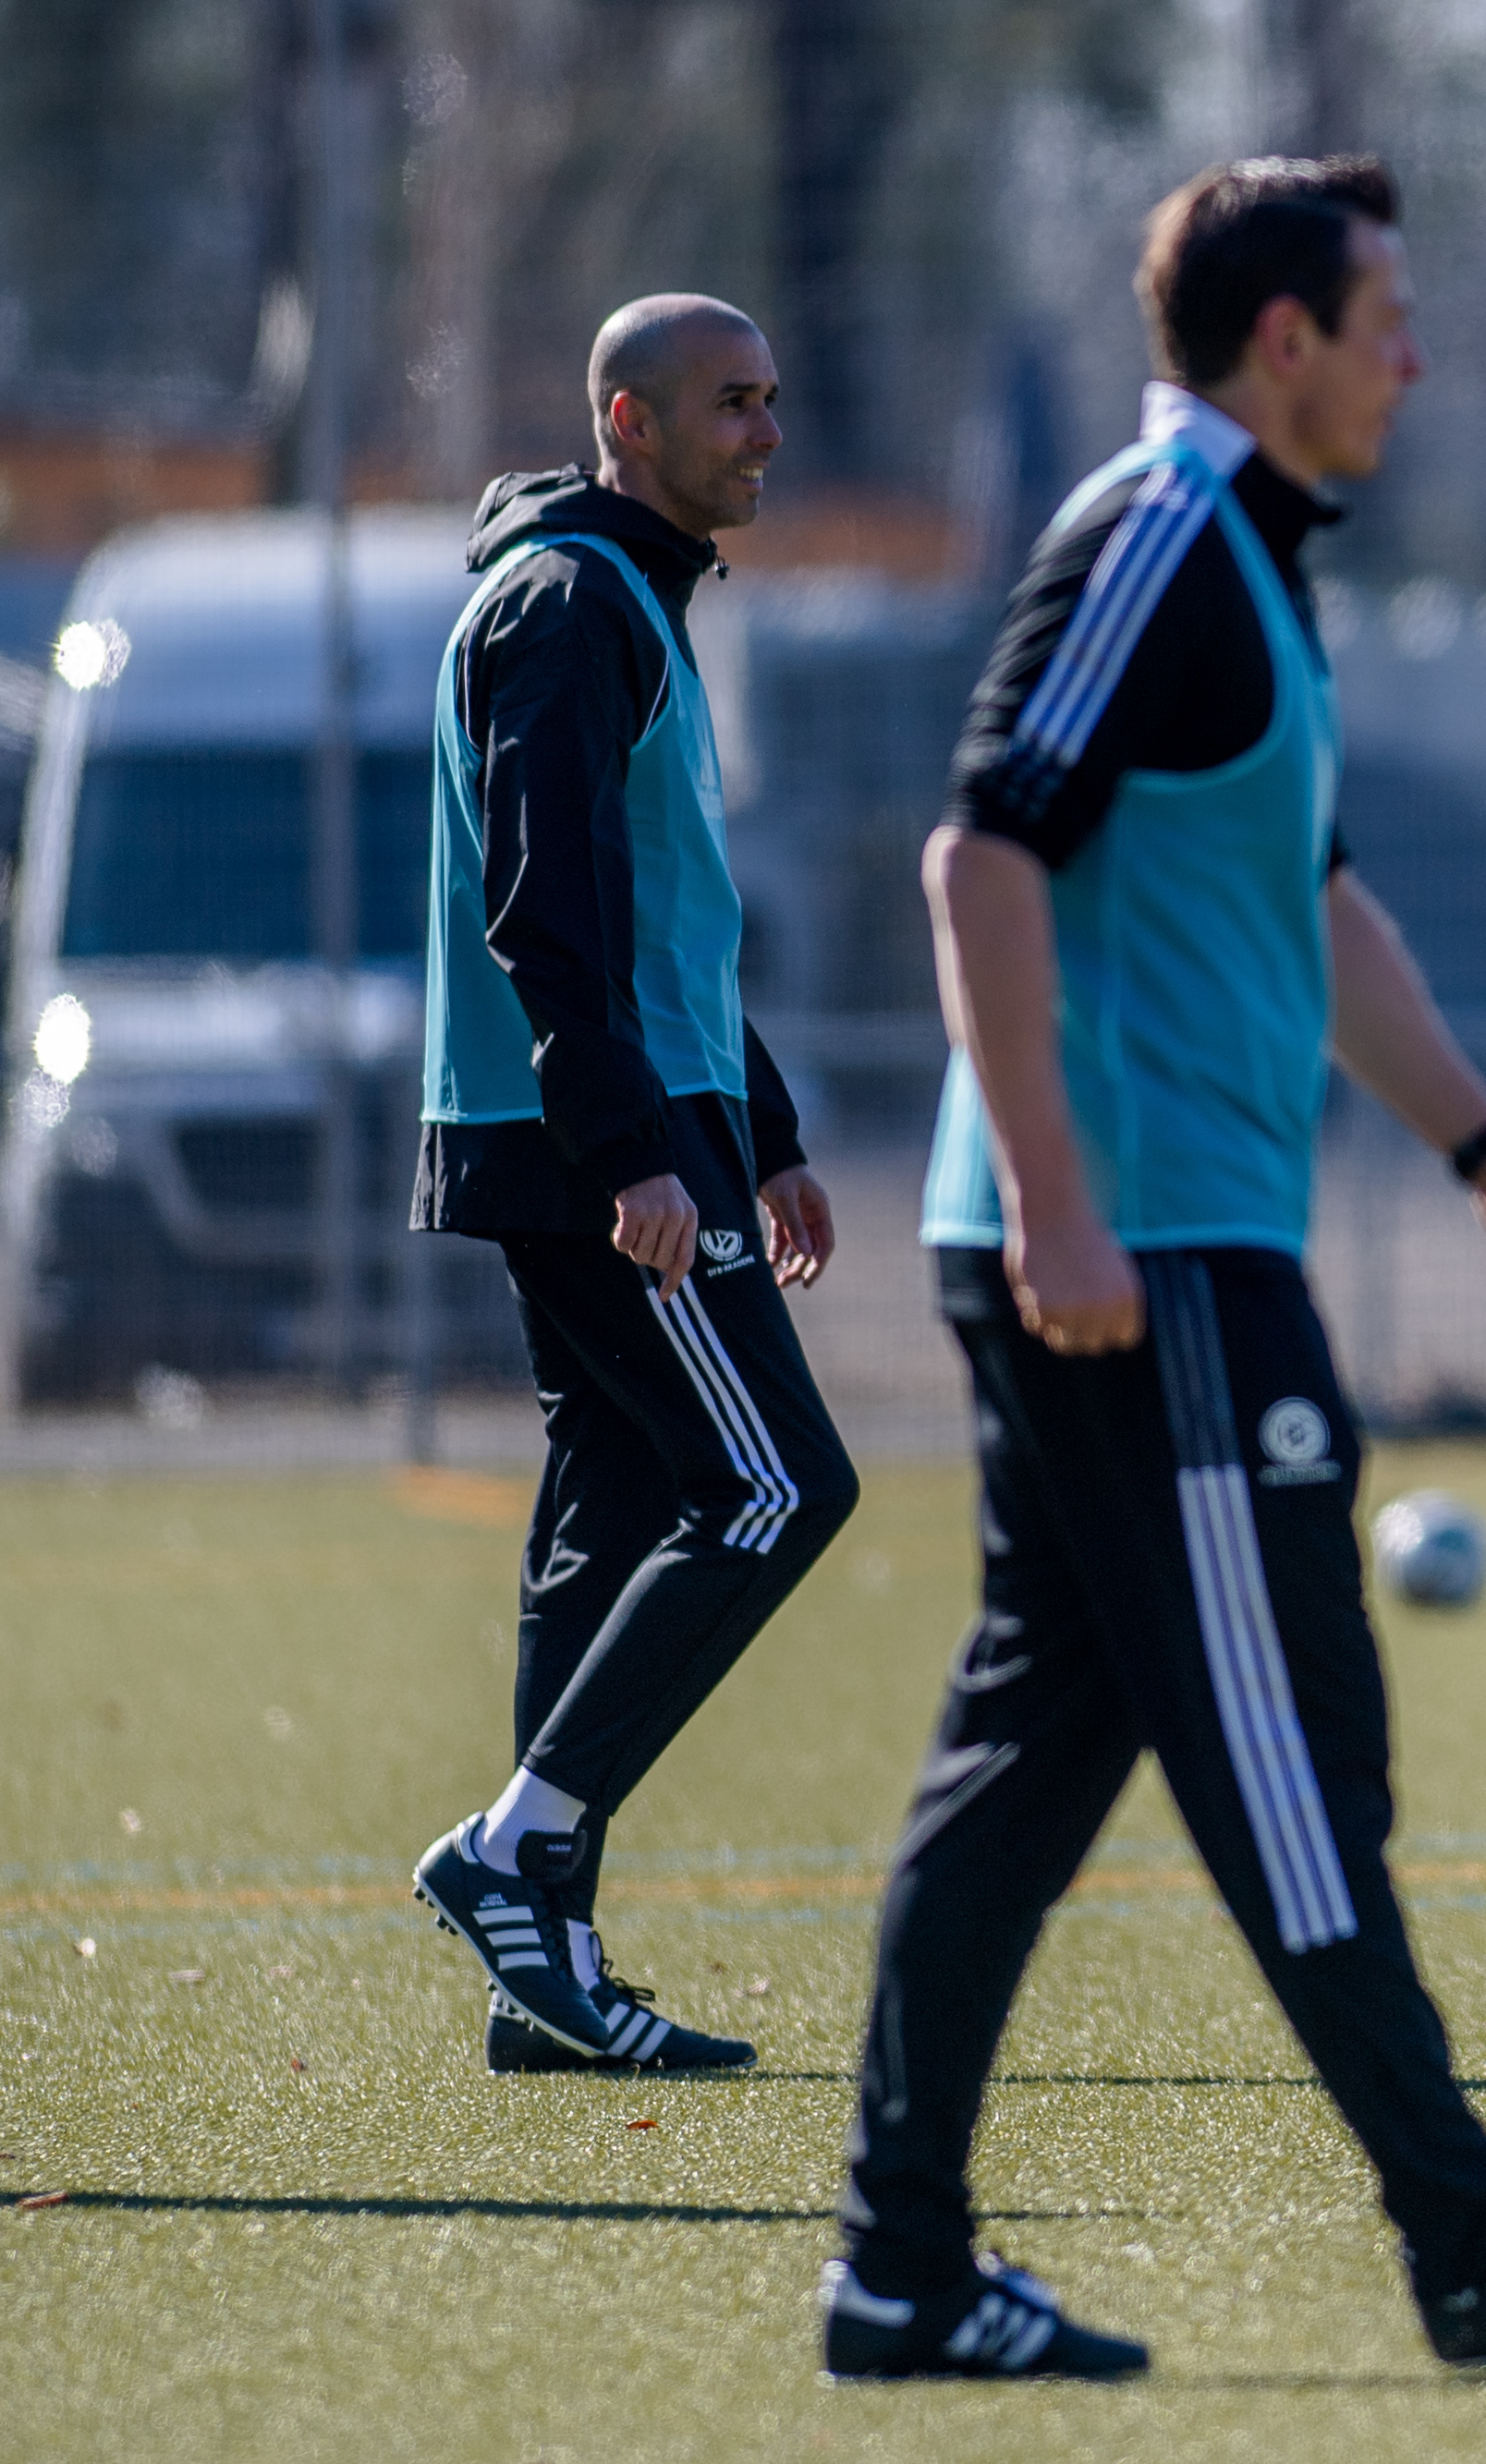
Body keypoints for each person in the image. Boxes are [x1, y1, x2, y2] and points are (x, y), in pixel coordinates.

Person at [817, 155, 1486, 2382]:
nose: (1415, 360)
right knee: (1288, 1760)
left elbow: (1310, 907)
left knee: (1028, 1772)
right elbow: (981, 854)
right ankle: (1481, 2242)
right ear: (1282, 341)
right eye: (1389, 320)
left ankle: (903, 2265)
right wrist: (1059, 1195)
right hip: (1139, 1259)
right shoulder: (1156, 535)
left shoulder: (1248, 555)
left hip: (1163, 1245)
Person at [407, 296, 859, 2076]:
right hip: (597, 1148)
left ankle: (548, 1975)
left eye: (770, 400)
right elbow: (550, 913)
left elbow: (662, 911)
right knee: (773, 1488)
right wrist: (636, 1158)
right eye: (731, 405)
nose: (763, 433)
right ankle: (518, 1856)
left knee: (613, 1508)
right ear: (629, 419)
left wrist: (766, 1131)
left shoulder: (616, 597)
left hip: (633, 1132)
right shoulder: (569, 604)